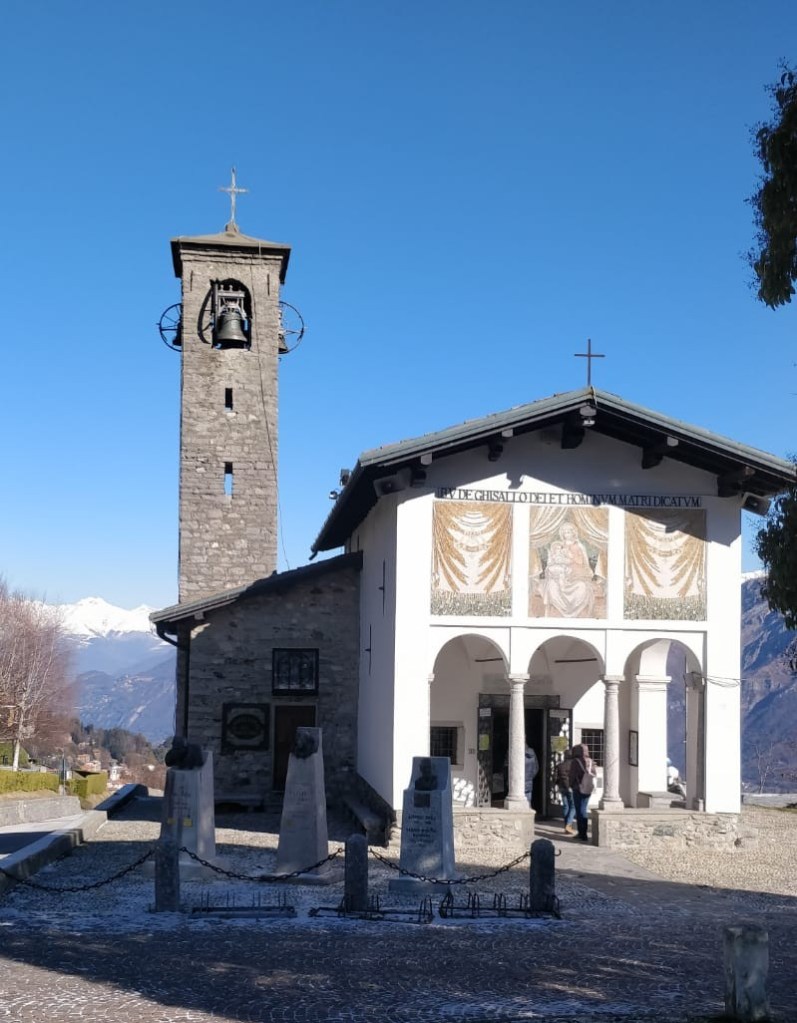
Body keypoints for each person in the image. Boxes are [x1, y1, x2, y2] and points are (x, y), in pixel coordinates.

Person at [569, 742, 597, 841]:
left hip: (578, 788)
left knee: (579, 810)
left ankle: (582, 833)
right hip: (588, 788)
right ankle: (583, 832)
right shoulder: (591, 761)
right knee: (584, 808)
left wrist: (571, 784)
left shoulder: (575, 762)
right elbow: (594, 774)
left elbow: (572, 775)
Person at [555, 747, 576, 834]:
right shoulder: (574, 765)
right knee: (573, 806)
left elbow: (557, 777)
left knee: (566, 806)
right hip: (570, 788)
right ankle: (568, 824)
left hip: (562, 787)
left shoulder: (560, 765)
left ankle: (566, 826)